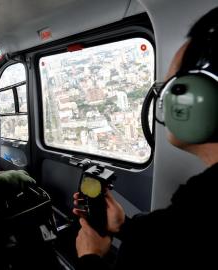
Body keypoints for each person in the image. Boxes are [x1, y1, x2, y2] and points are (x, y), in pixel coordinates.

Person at [73, 7, 218, 269]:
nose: (163, 99)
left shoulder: (203, 203)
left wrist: (90, 258)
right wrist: (123, 225)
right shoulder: (201, 204)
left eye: (170, 87)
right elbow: (173, 232)